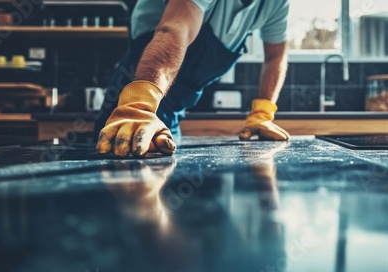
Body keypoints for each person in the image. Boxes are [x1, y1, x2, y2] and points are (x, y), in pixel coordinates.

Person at [95, 0, 291, 157]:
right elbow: (176, 27)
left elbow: (275, 57)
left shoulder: (276, 3)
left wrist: (262, 113)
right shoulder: (135, 105)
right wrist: (138, 105)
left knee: (165, 187)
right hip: (132, 101)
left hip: (171, 119)